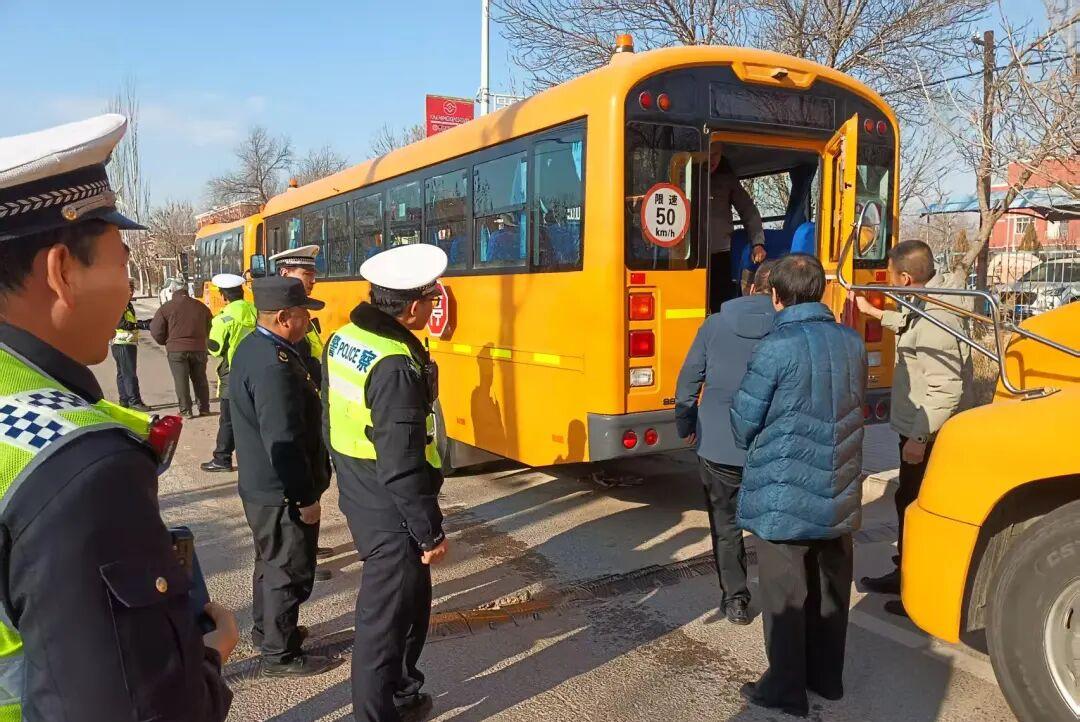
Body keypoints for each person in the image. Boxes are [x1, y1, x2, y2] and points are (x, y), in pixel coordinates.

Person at [0, 113, 237, 720]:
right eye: (122, 260)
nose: (130, 286)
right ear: (61, 271)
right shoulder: (81, 470)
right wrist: (208, 662)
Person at [730, 253, 867, 718]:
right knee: (830, 590)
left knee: (785, 597)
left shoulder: (775, 347)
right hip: (838, 486)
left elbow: (743, 423)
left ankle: (785, 689)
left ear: (775, 295)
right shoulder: (852, 342)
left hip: (783, 494)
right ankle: (827, 679)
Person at [325, 243, 450, 722]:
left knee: (410, 604)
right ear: (413, 306)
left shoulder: (345, 336)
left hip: (362, 487)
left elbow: (329, 415)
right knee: (383, 623)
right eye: (432, 300)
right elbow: (402, 463)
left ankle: (402, 691)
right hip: (391, 504)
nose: (434, 307)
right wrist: (429, 532)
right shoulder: (395, 363)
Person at [853, 240, 973, 614]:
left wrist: (919, 438)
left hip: (929, 431)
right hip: (920, 426)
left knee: (918, 507)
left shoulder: (939, 322)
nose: (888, 281)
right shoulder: (930, 299)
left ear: (905, 278)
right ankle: (906, 570)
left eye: (891, 275)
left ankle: (918, 592)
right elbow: (909, 323)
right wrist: (874, 313)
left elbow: (945, 389)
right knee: (906, 499)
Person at [229, 275, 339, 677]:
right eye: (303, 315)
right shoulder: (273, 367)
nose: (308, 322)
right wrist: (304, 497)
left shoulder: (257, 347)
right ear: (283, 317)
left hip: (262, 486)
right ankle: (280, 654)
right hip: (280, 491)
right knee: (288, 569)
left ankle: (269, 631)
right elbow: (284, 440)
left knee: (270, 562)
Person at [674, 260, 776, 626]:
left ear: (750, 287)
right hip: (771, 446)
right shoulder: (788, 328)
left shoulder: (714, 324)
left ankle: (736, 599)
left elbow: (689, 379)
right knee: (772, 525)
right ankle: (781, 598)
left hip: (719, 444)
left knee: (726, 524)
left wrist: (685, 424)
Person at [201, 273, 256, 473]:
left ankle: (222, 458)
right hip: (257, 369)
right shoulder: (256, 311)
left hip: (233, 371)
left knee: (228, 419)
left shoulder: (223, 319)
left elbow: (215, 349)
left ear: (224, 296)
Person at [708, 144, 766, 309]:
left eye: (716, 154)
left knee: (721, 305)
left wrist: (757, 243)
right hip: (685, 256)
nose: (712, 160)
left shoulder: (727, 179)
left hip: (720, 253)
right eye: (708, 154)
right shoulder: (681, 172)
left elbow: (749, 211)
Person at [150, 284, 213, 418]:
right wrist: (203, 340)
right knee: (200, 379)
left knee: (181, 380)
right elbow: (210, 327)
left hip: (176, 350)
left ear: (172, 292)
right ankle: (204, 408)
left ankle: (185, 410)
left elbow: (156, 330)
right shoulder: (201, 307)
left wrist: (166, 342)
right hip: (199, 348)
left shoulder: (166, 308)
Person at [268, 245, 324, 385]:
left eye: (313, 274)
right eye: (307, 274)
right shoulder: (279, 314)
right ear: (284, 273)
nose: (314, 280)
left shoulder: (298, 310)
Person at [111, 277, 150, 411]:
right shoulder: (118, 304)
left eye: (133, 289)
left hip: (125, 341)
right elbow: (120, 323)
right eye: (129, 289)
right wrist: (138, 325)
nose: (131, 292)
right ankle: (134, 401)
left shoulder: (126, 304)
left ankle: (124, 400)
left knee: (122, 373)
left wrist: (142, 323)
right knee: (129, 373)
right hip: (123, 342)